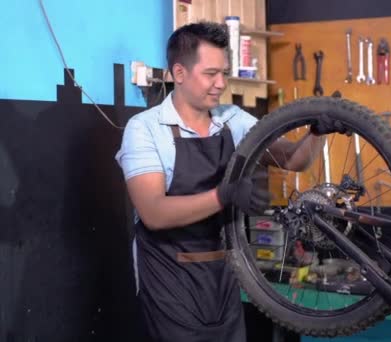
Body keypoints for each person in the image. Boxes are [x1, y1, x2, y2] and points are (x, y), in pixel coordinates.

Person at [114, 21, 341, 341]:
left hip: (224, 278)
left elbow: (292, 159)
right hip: (170, 286)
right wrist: (225, 196)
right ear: (179, 74)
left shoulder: (232, 120)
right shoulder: (146, 129)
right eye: (210, 74)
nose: (221, 83)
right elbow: (154, 211)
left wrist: (316, 133)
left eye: (224, 72)